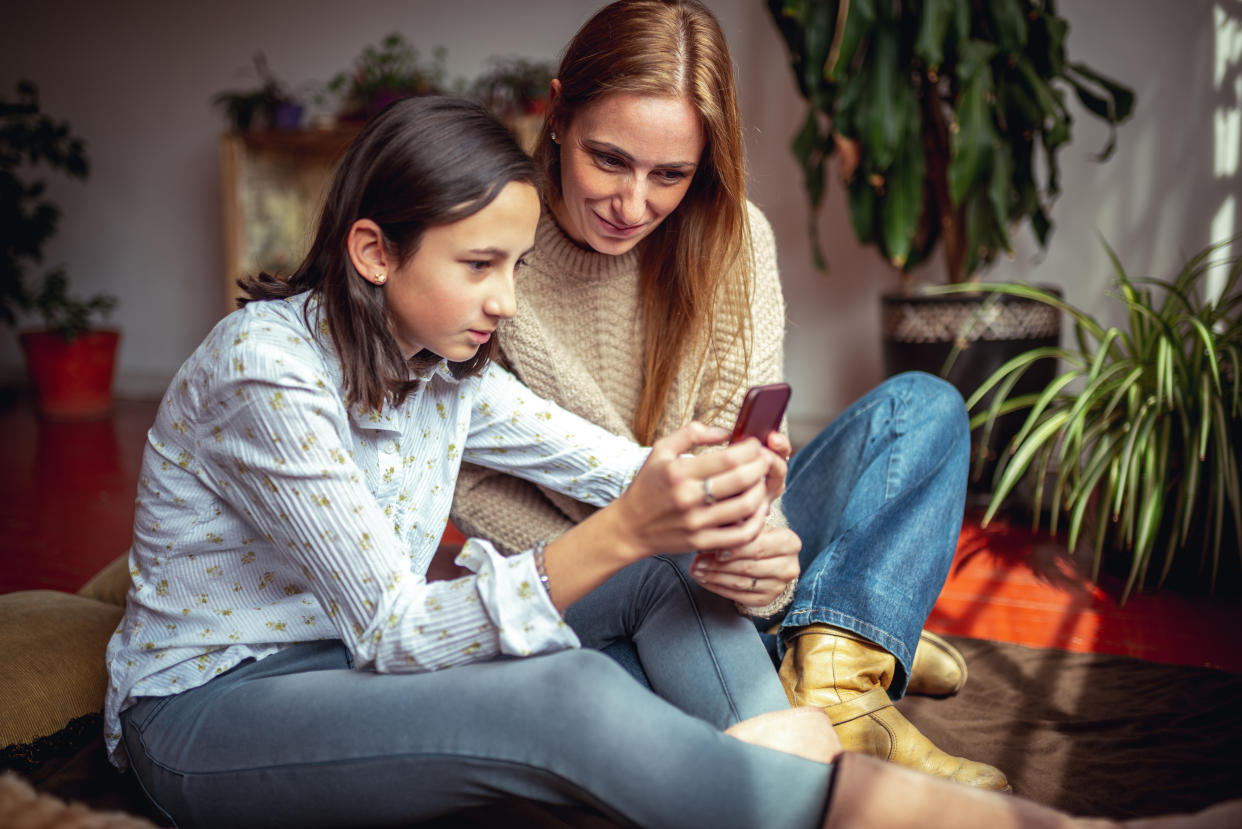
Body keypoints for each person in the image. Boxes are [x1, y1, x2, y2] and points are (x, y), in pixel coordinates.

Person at [103, 95, 843, 828]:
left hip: (357, 670)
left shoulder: (444, 371)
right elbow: (397, 630)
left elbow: (624, 469)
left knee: (662, 574)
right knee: (568, 692)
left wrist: (718, 481)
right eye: (479, 264)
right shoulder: (263, 369)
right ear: (375, 252)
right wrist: (628, 527)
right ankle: (815, 791)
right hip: (211, 710)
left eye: (515, 266)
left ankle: (763, 763)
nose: (507, 302)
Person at [450, 0, 1005, 791]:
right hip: (588, 569)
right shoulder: (490, 244)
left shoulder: (735, 236)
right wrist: (657, 545)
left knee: (923, 409)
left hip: (716, 545)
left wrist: (763, 551)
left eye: (670, 174)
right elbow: (470, 480)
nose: (633, 203)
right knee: (620, 702)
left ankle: (833, 672)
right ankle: (847, 632)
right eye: (609, 160)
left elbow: (746, 455)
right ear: (559, 112)